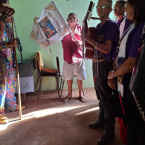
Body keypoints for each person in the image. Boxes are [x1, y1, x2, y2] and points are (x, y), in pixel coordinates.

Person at [108, 0, 145, 144]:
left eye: (129, 4)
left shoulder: (141, 27)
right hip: (126, 82)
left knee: (137, 127)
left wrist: (113, 74)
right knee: (130, 123)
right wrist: (115, 73)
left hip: (134, 85)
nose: (126, 8)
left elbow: (131, 61)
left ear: (138, 6)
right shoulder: (133, 25)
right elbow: (122, 55)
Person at [85, 0, 119, 144]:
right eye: (98, 6)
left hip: (106, 66)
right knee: (100, 96)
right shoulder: (99, 26)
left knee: (107, 98)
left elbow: (106, 49)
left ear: (110, 9)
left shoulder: (111, 25)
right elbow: (94, 46)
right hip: (97, 65)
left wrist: (89, 40)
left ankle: (109, 131)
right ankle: (101, 120)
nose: (99, 9)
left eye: (103, 6)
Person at [0, 0, 25, 124]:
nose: (7, 10)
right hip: (1, 60)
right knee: (2, 86)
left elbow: (10, 40)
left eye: (7, 8)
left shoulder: (7, 24)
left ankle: (11, 105)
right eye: (4, 8)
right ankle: (0, 113)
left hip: (9, 58)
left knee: (11, 82)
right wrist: (7, 44)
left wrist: (13, 42)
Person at [61, 13, 87, 103]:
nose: (72, 19)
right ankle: (69, 94)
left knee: (80, 76)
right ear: (67, 20)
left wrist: (80, 42)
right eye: (70, 18)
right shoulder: (64, 29)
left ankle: (81, 94)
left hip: (79, 56)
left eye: (74, 18)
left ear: (77, 20)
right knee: (69, 77)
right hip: (68, 56)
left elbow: (86, 40)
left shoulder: (81, 29)